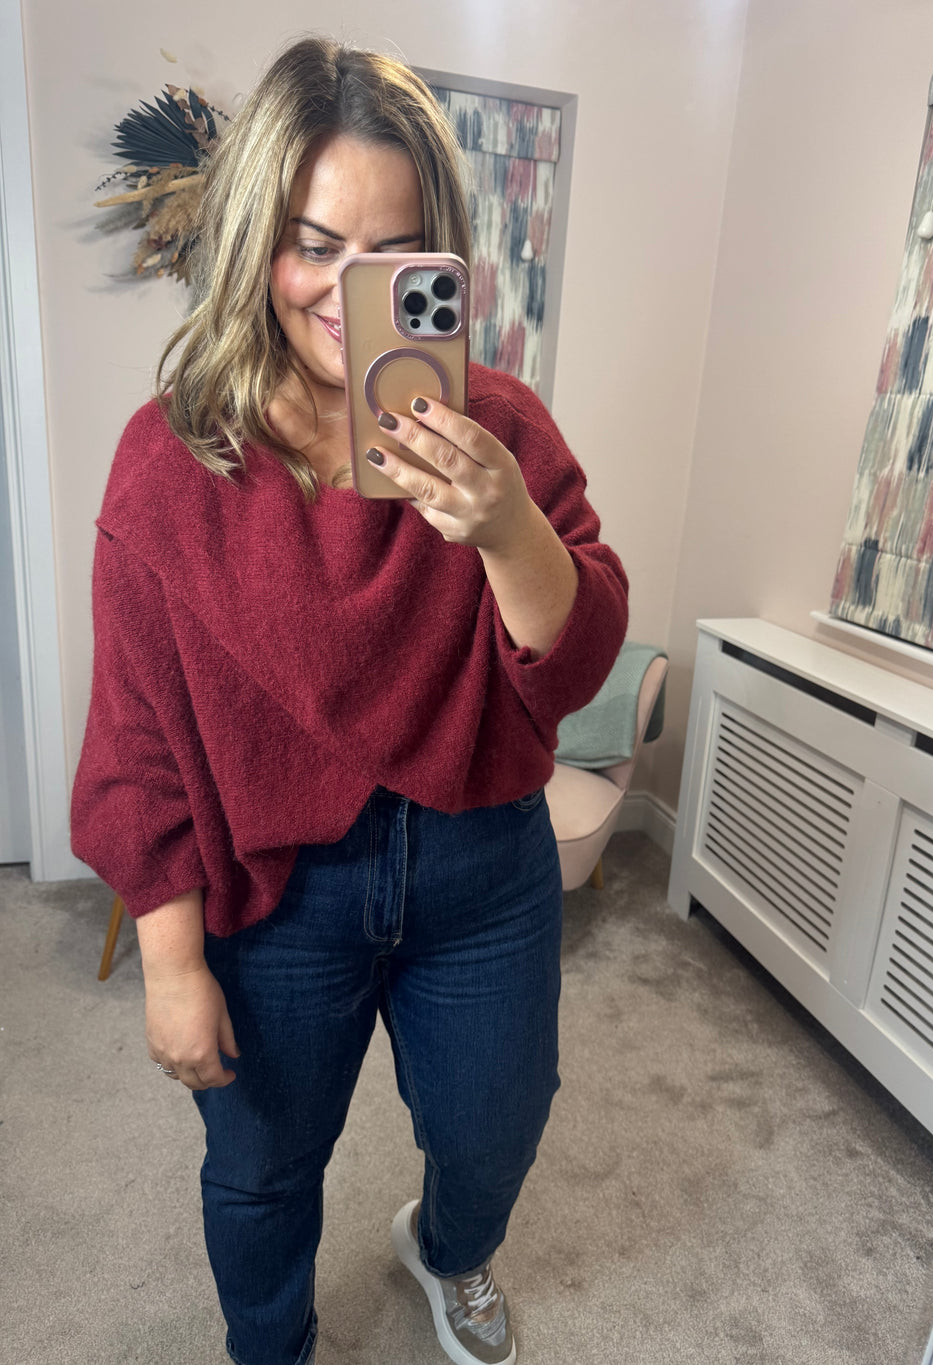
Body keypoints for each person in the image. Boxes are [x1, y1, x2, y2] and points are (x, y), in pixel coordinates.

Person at [71, 35, 628, 1365]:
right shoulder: (170, 461)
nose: (344, 289)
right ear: (257, 238)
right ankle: (272, 1346)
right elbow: (137, 738)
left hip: (483, 856)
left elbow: (579, 658)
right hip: (277, 883)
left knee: (496, 1129)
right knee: (261, 1166)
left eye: (393, 253)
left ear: (439, 261)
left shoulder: (499, 430)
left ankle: (445, 1249)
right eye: (313, 245)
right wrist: (171, 964)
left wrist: (509, 531)